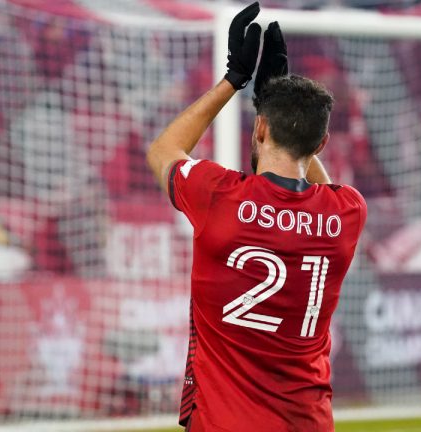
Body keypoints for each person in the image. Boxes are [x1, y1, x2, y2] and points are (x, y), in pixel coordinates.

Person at [146, 3, 367, 431]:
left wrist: (233, 80)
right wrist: (281, 105)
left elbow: (163, 151)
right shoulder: (347, 212)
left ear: (260, 128)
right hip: (308, 422)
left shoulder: (218, 197)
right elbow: (320, 187)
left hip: (223, 422)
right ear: (322, 144)